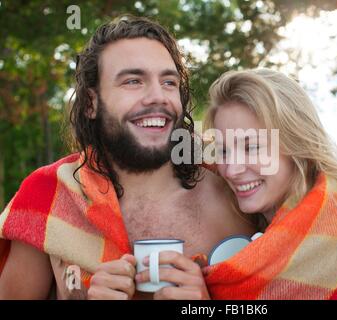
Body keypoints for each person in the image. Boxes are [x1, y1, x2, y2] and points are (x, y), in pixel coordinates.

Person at [0, 15, 255, 300]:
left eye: (169, 82)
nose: (158, 96)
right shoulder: (49, 195)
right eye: (133, 81)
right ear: (90, 104)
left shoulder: (238, 191)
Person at [202, 69, 337, 299]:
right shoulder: (256, 225)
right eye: (223, 150)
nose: (231, 169)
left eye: (251, 148)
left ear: (295, 143)